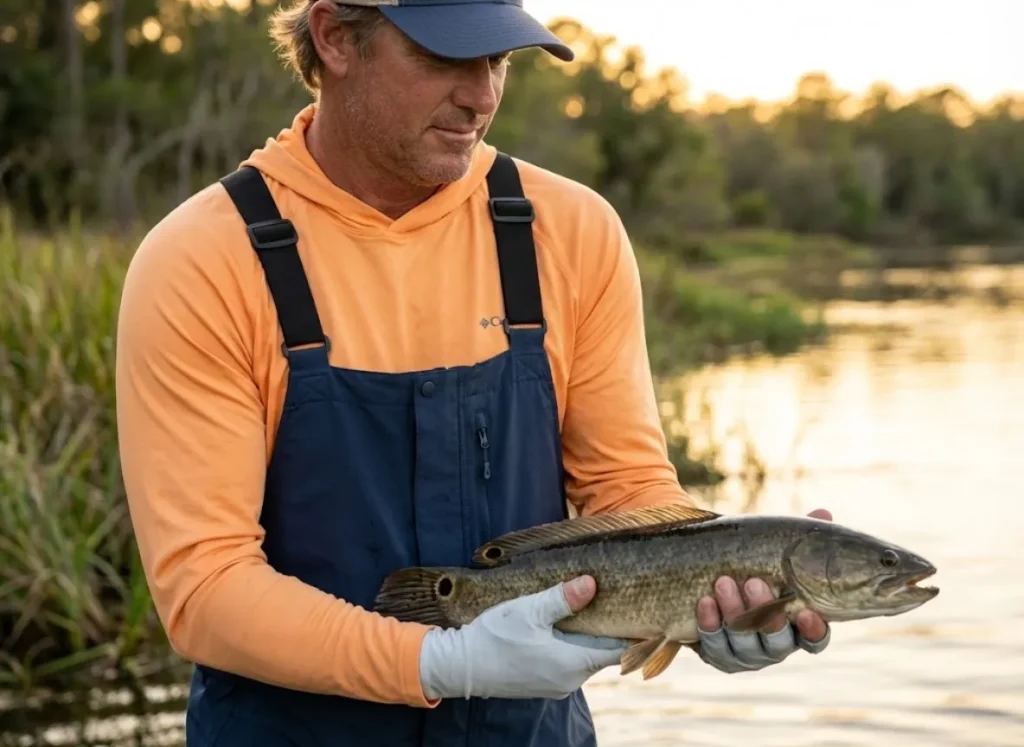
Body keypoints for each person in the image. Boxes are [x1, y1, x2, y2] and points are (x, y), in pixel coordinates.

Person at [114, 1, 832, 745]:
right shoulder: (202, 261)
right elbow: (204, 587)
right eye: (446, 58)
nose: (481, 95)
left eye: (499, 60)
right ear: (333, 38)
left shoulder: (573, 231)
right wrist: (441, 660)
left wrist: (713, 600)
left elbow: (626, 489)